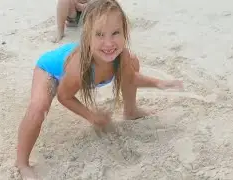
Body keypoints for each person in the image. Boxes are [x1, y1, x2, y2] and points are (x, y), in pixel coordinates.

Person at [16, 0, 183, 179]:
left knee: (133, 63)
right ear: (88, 37)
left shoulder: (122, 55)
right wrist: (91, 116)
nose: (109, 43)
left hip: (74, 68)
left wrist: (159, 83)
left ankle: (131, 110)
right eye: (100, 35)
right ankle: (22, 163)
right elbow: (64, 96)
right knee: (38, 108)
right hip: (50, 71)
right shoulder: (80, 66)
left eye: (115, 33)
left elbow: (130, 79)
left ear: (125, 32)